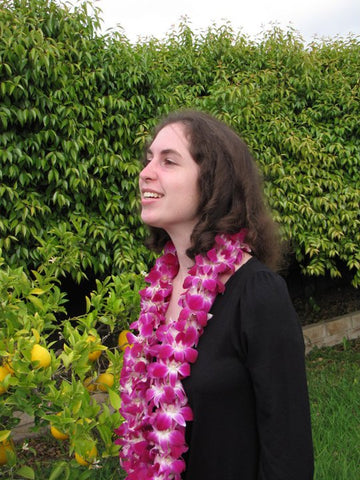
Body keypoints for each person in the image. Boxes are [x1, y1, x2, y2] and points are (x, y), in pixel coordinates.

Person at [116, 110, 314, 480]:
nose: (146, 172)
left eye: (169, 161)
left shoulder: (257, 294)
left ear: (213, 183)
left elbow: (289, 453)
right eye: (149, 159)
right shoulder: (159, 292)